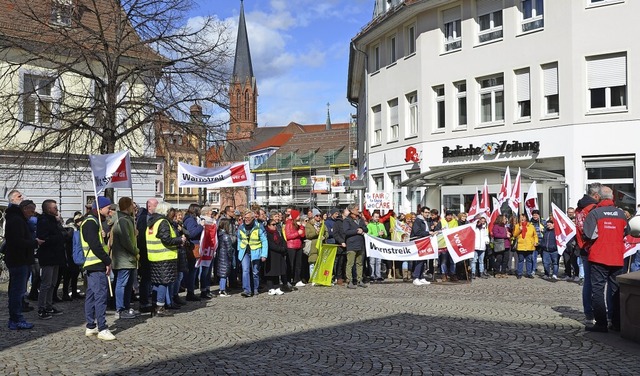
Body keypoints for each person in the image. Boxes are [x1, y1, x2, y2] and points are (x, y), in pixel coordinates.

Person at [583, 185, 629, 332]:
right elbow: (626, 232)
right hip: (617, 257)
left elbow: (589, 235)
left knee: (597, 290)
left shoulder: (595, 213)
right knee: (615, 291)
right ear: (612, 198)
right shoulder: (621, 214)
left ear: (599, 197)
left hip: (599, 257)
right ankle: (616, 323)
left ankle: (601, 323)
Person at [5, 200, 43, 330]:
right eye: (31, 211)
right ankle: (15, 319)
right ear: (25, 209)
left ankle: (15, 318)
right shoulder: (17, 220)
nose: (32, 214)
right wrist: (34, 242)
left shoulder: (17, 219)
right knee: (17, 292)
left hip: (19, 260)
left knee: (17, 291)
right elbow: (17, 242)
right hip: (18, 260)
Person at [81, 196, 116, 340]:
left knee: (91, 295)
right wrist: (107, 261)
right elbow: (95, 245)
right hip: (95, 264)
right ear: (100, 208)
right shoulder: (91, 222)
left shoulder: (95, 222)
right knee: (100, 296)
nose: (110, 211)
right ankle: (102, 328)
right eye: (108, 208)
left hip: (94, 264)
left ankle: (90, 326)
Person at [147, 202, 184, 317]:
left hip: (154, 256)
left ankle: (155, 305)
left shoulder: (153, 222)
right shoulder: (163, 222)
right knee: (164, 282)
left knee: (157, 283)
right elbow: (166, 239)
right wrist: (180, 240)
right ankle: (160, 307)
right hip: (164, 257)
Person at [575, 183, 601, 324]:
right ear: (596, 196)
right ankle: (595, 313)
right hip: (592, 247)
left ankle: (588, 313)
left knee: (588, 282)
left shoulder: (579, 208)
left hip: (583, 247)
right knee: (596, 283)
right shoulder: (593, 209)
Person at [35, 199, 66, 319]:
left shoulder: (54, 221)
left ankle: (49, 305)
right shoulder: (43, 221)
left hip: (56, 256)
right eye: (55, 208)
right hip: (48, 256)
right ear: (48, 209)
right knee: (46, 284)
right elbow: (43, 239)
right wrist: (58, 238)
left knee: (53, 283)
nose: (57, 210)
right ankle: (41, 308)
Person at [111, 197, 140, 319]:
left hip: (128, 258)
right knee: (121, 284)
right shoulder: (122, 220)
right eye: (132, 205)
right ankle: (120, 309)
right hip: (123, 258)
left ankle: (126, 307)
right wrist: (135, 251)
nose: (134, 207)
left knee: (128, 285)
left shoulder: (127, 219)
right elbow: (126, 240)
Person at [237, 210, 268, 297]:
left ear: (253, 218)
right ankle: (247, 290)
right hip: (244, 252)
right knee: (245, 270)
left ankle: (255, 288)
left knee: (255, 272)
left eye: (248, 218)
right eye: (245, 218)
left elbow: (264, 241)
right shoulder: (241, 227)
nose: (246, 219)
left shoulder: (259, 226)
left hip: (256, 251)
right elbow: (239, 239)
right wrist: (239, 249)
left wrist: (264, 254)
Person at [343, 204, 368, 289]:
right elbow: (346, 231)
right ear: (352, 211)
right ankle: (349, 280)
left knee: (360, 263)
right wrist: (356, 231)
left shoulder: (360, 219)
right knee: (350, 263)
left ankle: (359, 280)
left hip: (360, 244)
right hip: (352, 244)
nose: (358, 211)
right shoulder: (347, 220)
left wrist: (362, 229)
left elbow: (366, 229)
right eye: (357, 209)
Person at [183, 204, 205, 300]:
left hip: (195, 246)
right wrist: (201, 226)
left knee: (194, 270)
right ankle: (190, 292)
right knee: (192, 270)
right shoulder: (190, 220)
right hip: (193, 247)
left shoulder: (192, 219)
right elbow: (191, 234)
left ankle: (191, 291)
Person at [265, 218, 288, 296]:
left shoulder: (277, 232)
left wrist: (284, 248)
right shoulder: (266, 233)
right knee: (271, 272)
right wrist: (280, 249)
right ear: (268, 225)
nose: (275, 226)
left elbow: (282, 241)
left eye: (276, 224)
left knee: (277, 271)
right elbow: (270, 245)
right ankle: (270, 288)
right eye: (273, 225)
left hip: (279, 254)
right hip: (271, 255)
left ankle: (277, 287)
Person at [513, 213, 539, 279]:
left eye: (523, 217)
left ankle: (529, 273)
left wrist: (536, 242)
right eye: (520, 217)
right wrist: (519, 229)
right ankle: (519, 273)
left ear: (526, 218)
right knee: (520, 260)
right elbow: (514, 235)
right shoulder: (517, 226)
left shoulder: (531, 226)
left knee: (529, 260)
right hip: (521, 246)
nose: (522, 219)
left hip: (529, 246)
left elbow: (535, 235)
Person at [284, 209, 305, 288]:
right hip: (291, 246)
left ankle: (297, 279)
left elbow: (302, 234)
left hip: (298, 245)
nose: (299, 216)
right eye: (298, 215)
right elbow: (288, 236)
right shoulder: (289, 223)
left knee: (298, 264)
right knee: (290, 264)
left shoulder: (297, 223)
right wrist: (297, 233)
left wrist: (302, 226)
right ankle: (288, 280)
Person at [410, 207, 431, 286]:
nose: (427, 214)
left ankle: (421, 277)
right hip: (418, 242)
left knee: (423, 260)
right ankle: (415, 277)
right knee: (419, 260)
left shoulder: (426, 220)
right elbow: (417, 232)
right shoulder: (418, 220)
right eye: (426, 212)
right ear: (422, 213)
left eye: (428, 212)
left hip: (425, 242)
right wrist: (428, 233)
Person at [367, 211, 387, 283]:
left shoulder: (381, 225)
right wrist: (377, 234)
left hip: (379, 245)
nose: (377, 218)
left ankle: (378, 275)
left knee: (378, 261)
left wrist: (383, 233)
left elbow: (385, 235)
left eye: (378, 217)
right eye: (375, 217)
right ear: (372, 217)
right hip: (372, 245)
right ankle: (372, 275)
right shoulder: (369, 225)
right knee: (372, 261)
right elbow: (368, 235)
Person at [216, 218, 234, 297]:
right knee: (224, 274)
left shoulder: (219, 234)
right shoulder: (226, 236)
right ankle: (222, 290)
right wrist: (231, 256)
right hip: (225, 257)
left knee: (221, 273)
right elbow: (229, 248)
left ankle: (221, 288)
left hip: (220, 256)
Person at [332, 208, 348, 286]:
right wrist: (341, 241)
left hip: (348, 244)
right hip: (340, 245)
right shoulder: (338, 222)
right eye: (347, 211)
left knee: (347, 262)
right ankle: (339, 277)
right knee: (340, 262)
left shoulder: (348, 221)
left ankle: (346, 276)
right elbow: (335, 234)